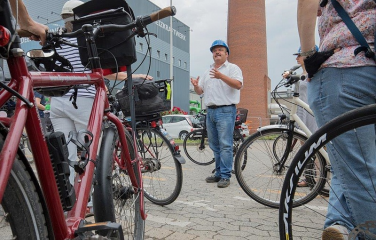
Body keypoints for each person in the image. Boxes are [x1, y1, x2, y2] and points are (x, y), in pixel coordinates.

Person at [297, 0, 376, 239]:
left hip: (344, 68)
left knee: (359, 171)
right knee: (354, 162)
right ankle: (339, 223)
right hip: (369, 65)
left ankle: (347, 225)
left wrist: (309, 55)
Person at [190, 40, 243, 188]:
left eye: (220, 50)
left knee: (225, 144)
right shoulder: (207, 72)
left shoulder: (233, 68)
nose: (217, 52)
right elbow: (201, 92)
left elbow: (238, 85)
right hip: (210, 111)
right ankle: (219, 173)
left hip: (226, 110)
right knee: (214, 145)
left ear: (227, 54)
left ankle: (226, 175)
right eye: (214, 51)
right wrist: (195, 86)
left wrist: (221, 76)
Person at [282, 46, 319, 188]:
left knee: (317, 146)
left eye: (299, 55)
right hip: (302, 111)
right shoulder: (301, 72)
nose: (297, 57)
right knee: (305, 146)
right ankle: (309, 178)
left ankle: (319, 179)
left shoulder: (314, 71)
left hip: (312, 112)